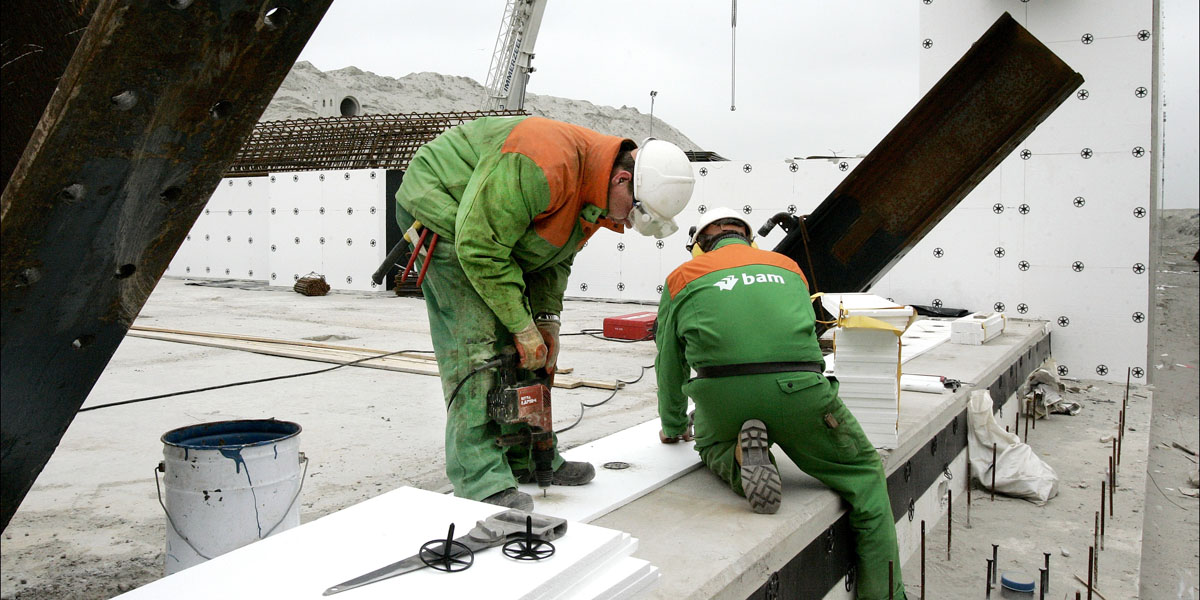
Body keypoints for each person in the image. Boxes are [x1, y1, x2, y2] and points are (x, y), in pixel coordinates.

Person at [395, 115, 695, 511]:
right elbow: (480, 247)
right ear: (623, 180)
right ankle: (479, 478)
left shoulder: (597, 189)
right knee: (480, 348)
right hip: (446, 213)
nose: (624, 222)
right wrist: (520, 326)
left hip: (493, 230)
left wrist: (545, 320)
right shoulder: (542, 163)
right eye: (633, 213)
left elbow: (554, 257)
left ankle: (527, 458)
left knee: (534, 354)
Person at [654, 207, 905, 600]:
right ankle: (885, 596)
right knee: (865, 473)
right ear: (750, 238)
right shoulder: (788, 267)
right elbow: (805, 331)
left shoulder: (681, 277)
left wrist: (673, 425)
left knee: (710, 444)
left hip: (721, 395)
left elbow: (669, 361)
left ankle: (739, 462)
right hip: (800, 389)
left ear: (700, 245)